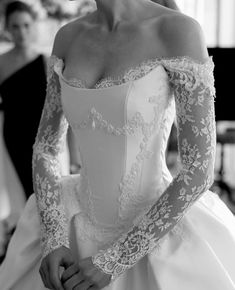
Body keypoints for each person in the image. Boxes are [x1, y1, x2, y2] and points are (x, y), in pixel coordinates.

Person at [1, 0, 235, 289]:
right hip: (71, 236)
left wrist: (115, 260)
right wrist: (53, 237)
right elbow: (46, 148)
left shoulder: (177, 30)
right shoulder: (67, 37)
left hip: (156, 237)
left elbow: (198, 170)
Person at [0, 1, 47, 199]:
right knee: (25, 192)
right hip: (14, 135)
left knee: (46, 189)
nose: (22, 32)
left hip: (43, 135)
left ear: (34, 25)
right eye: (15, 26)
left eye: (26, 25)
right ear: (7, 28)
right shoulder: (1, 63)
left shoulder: (45, 60)